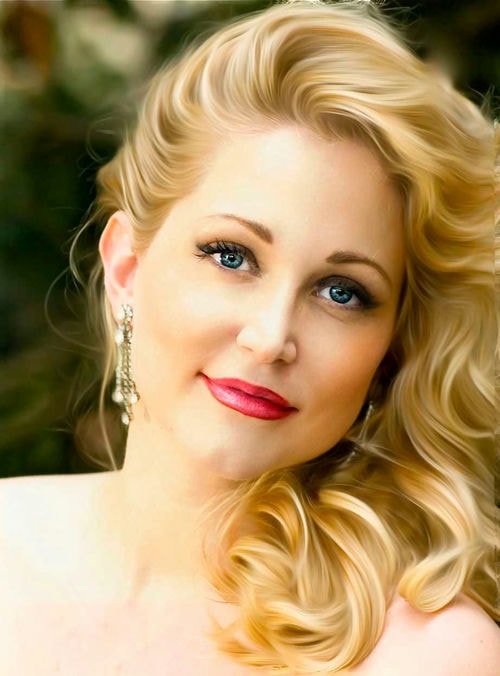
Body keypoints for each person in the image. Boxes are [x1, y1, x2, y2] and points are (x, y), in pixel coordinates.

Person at [0, 0, 498, 673]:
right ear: (126, 267)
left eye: (341, 292)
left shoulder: (424, 652)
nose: (270, 337)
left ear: (393, 348)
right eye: (232, 256)